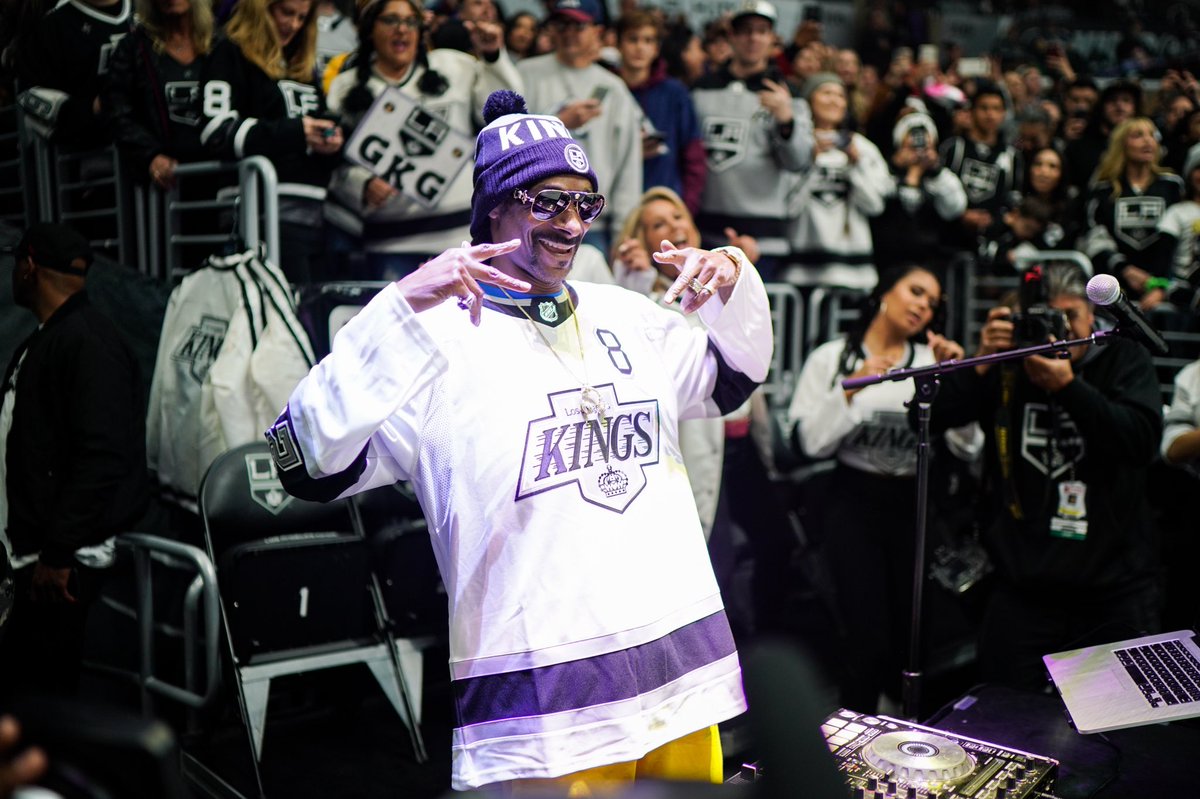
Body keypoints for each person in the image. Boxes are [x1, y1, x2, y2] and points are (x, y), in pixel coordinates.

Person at [266, 89, 771, 792]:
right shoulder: (429, 344)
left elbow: (734, 376)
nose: (571, 224)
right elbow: (303, 462)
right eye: (546, 203)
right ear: (492, 211)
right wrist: (399, 307)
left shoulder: (628, 316)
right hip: (545, 713)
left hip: (677, 677)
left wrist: (732, 284)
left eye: (583, 204)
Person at [925, 262, 1163, 691]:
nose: (1059, 331)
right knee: (1003, 711)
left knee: (1110, 727)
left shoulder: (1124, 356)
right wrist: (981, 360)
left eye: (1070, 316)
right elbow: (933, 420)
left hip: (1109, 584)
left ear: (1093, 316)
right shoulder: (1012, 362)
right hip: (1023, 581)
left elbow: (1141, 443)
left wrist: (1068, 388)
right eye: (1046, 318)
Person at [788, 265, 966, 711]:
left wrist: (958, 381)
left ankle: (909, 731)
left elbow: (969, 447)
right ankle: (856, 736)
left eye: (932, 302)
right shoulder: (832, 357)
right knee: (862, 631)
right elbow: (808, 442)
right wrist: (851, 389)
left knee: (914, 632)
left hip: (913, 502)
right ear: (886, 291)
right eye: (916, 291)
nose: (923, 305)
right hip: (853, 501)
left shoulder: (931, 360)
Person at [0, 224, 150, 699]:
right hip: (40, 554)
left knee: (46, 696)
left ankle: (52, 774)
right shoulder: (56, 335)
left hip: (60, 564)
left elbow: (103, 457)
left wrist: (58, 554)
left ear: (28, 266)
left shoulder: (87, 343)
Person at [324, 0, 521, 279]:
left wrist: (491, 55)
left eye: (410, 22)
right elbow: (331, 164)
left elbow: (506, 112)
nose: (402, 30)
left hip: (461, 234)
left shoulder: (454, 66)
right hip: (389, 241)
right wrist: (361, 184)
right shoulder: (346, 87)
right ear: (369, 29)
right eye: (391, 20)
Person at [219, 0, 345, 283]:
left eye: (302, 17)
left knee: (314, 317)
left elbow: (314, 126)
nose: (294, 25)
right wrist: (298, 132)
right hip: (260, 215)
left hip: (314, 215)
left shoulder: (302, 64)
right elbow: (216, 131)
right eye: (286, 13)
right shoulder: (230, 52)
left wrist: (332, 141)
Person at [691, 0, 812, 279]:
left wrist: (786, 120)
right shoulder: (701, 90)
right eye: (745, 30)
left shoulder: (788, 94)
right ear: (731, 36)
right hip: (707, 232)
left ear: (772, 39)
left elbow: (800, 162)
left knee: (756, 320)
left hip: (766, 239)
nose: (753, 38)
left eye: (761, 31)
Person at [516, 0, 643, 255]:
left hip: (593, 222)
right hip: (534, 217)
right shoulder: (525, 73)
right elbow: (508, 144)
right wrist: (559, 122)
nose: (569, 32)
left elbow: (628, 167)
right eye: (562, 24)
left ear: (597, 30)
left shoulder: (613, 87)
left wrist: (623, 233)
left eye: (578, 25)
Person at [783, 71, 889, 292]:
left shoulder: (863, 148)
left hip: (852, 271)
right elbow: (788, 207)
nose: (834, 100)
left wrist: (855, 165)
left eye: (840, 95)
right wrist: (810, 162)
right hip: (802, 269)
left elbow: (875, 205)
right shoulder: (794, 147)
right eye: (826, 93)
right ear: (809, 100)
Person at [1080, 117, 1185, 310]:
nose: (1148, 141)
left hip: (1165, 289)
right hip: (1116, 288)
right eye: (1138, 135)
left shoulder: (1172, 186)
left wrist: (1161, 285)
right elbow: (1094, 237)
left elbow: (1180, 239)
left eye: (1152, 135)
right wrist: (1124, 270)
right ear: (1122, 145)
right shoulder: (1104, 190)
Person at [614, 10, 706, 215]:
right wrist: (630, 152)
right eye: (633, 39)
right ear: (618, 44)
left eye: (648, 40)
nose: (640, 47)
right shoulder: (608, 89)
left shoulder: (675, 92)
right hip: (613, 206)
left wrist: (685, 208)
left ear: (656, 48)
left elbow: (693, 155)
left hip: (664, 205)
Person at [16, 0, 132, 147]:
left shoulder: (152, 10)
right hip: (92, 152)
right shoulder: (52, 26)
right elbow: (29, 95)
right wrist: (93, 108)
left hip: (158, 139)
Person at [871, 112, 967, 275]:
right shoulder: (883, 170)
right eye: (912, 140)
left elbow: (955, 208)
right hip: (886, 261)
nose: (918, 146)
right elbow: (872, 200)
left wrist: (935, 170)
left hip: (928, 263)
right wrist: (896, 165)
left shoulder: (939, 177)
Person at [938, 80, 1022, 251]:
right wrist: (962, 214)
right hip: (949, 239)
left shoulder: (1012, 156)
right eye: (984, 108)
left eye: (996, 109)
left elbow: (1013, 200)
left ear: (1004, 114)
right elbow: (936, 189)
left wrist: (994, 220)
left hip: (990, 243)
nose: (990, 114)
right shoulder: (954, 149)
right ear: (972, 111)